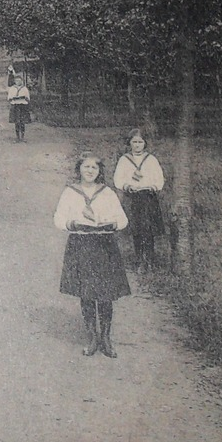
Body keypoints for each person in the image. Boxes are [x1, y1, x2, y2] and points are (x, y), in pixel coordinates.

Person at [53, 151, 131, 357]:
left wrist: (112, 223)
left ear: (100, 171)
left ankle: (106, 337)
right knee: (86, 292)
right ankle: (92, 337)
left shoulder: (107, 193)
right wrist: (72, 223)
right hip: (81, 243)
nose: (90, 171)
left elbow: (122, 220)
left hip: (104, 245)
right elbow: (58, 219)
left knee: (105, 294)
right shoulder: (70, 192)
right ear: (79, 169)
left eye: (94, 168)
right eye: (86, 167)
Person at [112, 129, 166, 273]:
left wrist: (153, 186)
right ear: (129, 143)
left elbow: (159, 179)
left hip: (148, 198)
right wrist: (127, 186)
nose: (137, 145)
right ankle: (139, 259)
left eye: (140, 142)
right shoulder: (124, 160)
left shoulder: (151, 160)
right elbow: (118, 179)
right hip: (133, 198)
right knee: (136, 230)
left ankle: (150, 259)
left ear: (145, 143)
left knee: (148, 229)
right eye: (134, 142)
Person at [6, 73, 32, 142]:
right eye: (16, 80)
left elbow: (28, 98)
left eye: (19, 80)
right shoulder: (12, 88)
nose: (18, 82)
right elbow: (9, 98)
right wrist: (13, 98)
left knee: (22, 122)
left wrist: (24, 98)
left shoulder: (24, 89)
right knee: (16, 122)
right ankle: (17, 137)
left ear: (21, 81)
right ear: (14, 81)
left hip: (23, 106)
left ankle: (22, 137)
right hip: (15, 106)